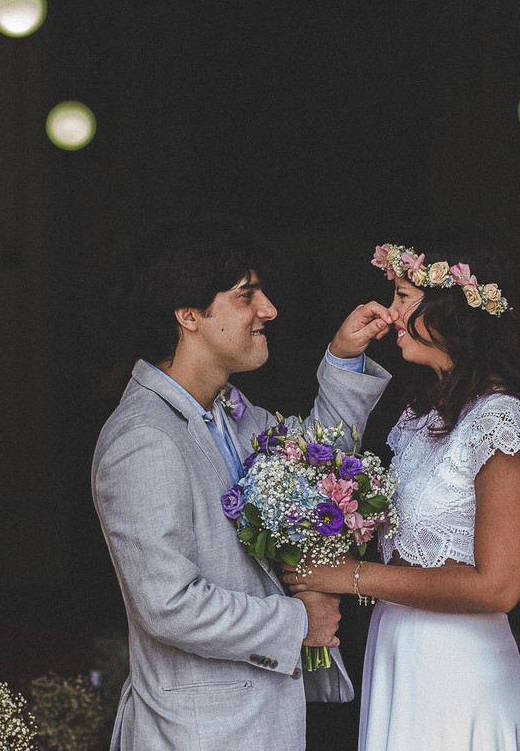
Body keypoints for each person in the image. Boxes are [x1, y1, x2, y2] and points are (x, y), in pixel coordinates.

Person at [90, 226, 394, 751]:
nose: (269, 310)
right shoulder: (144, 438)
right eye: (246, 295)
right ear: (189, 316)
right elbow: (167, 603)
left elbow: (316, 466)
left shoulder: (230, 411)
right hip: (199, 732)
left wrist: (343, 358)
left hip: (257, 719)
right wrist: (299, 621)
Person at [284, 241, 520, 751]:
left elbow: (499, 586)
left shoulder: (501, 420)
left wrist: (349, 576)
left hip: (459, 673)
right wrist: (344, 358)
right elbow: (320, 460)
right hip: (398, 653)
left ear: (452, 309)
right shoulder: (423, 416)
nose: (391, 312)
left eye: (404, 295)